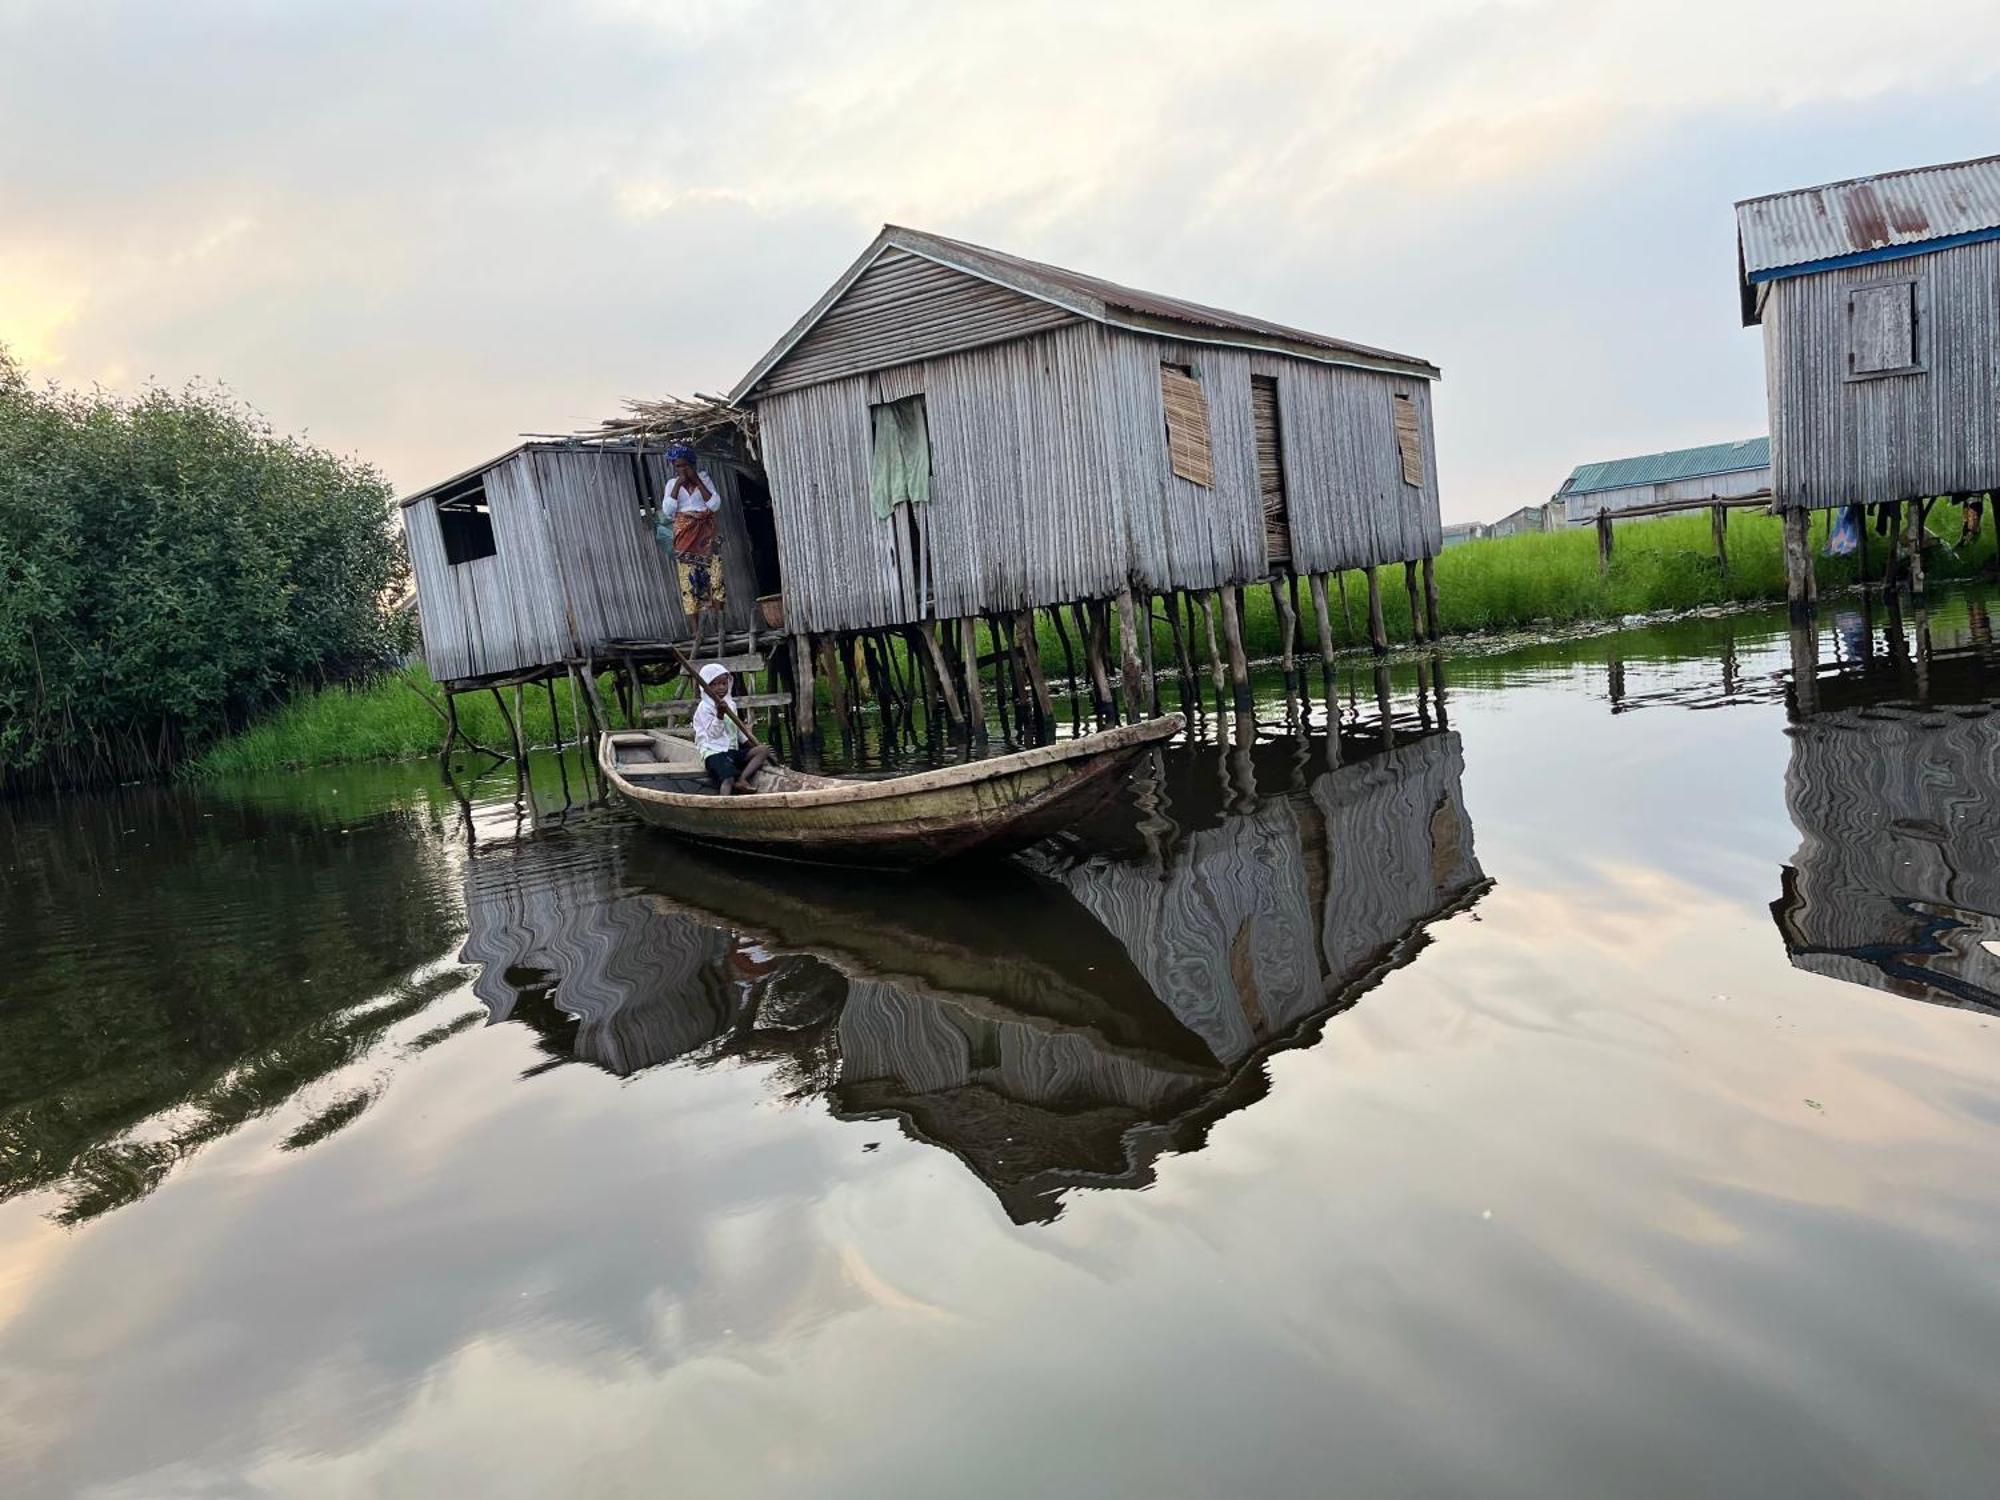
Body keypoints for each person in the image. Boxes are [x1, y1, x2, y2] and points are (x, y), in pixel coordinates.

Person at [657, 444, 726, 654]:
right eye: (678, 467)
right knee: (689, 583)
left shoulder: (703, 479)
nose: (682, 470)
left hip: (705, 535)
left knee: (716, 579)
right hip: (685, 537)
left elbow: (714, 505)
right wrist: (679, 484)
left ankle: (719, 626)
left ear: (692, 465)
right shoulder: (671, 485)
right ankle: (697, 631)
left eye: (685, 466)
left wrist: (696, 480)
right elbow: (668, 512)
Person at [692, 662, 770, 795]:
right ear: (706, 687)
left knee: (763, 750)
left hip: (731, 751)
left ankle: (742, 779)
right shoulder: (704, 708)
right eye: (714, 684)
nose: (721, 687)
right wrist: (720, 715)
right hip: (714, 752)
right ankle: (724, 803)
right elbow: (713, 735)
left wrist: (750, 744)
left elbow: (738, 730)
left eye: (724, 683)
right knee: (728, 778)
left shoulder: (731, 705)